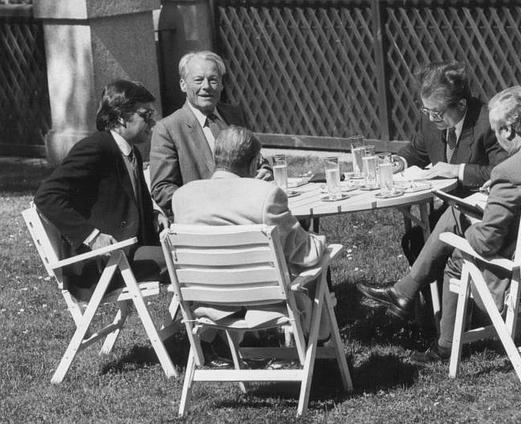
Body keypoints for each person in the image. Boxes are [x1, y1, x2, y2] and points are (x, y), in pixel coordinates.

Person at [359, 86, 521, 362]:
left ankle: (444, 346)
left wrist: (469, 226)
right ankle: (406, 292)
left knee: (458, 249)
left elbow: (487, 243)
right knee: (457, 217)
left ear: (508, 131)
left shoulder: (509, 171)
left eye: (496, 131)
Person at [172, 125, 328, 337]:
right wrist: (322, 242)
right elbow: (305, 254)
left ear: (216, 157)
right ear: (255, 161)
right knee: (319, 259)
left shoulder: (183, 197)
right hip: (265, 302)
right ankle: (321, 341)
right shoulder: (265, 195)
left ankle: (221, 346)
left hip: (208, 302)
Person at [34, 80, 167, 301]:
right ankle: (209, 333)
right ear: (121, 116)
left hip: (127, 253)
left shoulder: (131, 152)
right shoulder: (95, 148)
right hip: (99, 266)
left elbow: (126, 203)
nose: (152, 122)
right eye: (146, 115)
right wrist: (92, 237)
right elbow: (46, 196)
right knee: (186, 260)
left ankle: (202, 332)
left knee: (190, 255)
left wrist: (154, 215)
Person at [150, 50, 272, 220]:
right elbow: (162, 189)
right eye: (198, 80)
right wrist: (208, 204)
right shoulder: (168, 128)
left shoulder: (234, 115)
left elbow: (257, 158)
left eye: (213, 80)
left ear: (221, 84)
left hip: (247, 213)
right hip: (202, 222)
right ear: (183, 85)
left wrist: (265, 170)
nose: (206, 86)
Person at [398, 61, 507, 194]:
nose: (431, 118)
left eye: (436, 113)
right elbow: (417, 151)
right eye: (427, 111)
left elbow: (502, 172)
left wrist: (457, 170)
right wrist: (397, 163)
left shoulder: (488, 123)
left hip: (476, 204)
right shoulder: (430, 120)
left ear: (461, 104)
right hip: (445, 203)